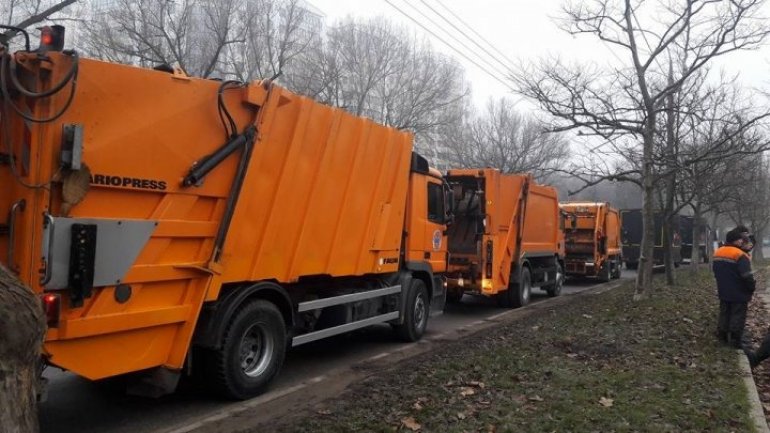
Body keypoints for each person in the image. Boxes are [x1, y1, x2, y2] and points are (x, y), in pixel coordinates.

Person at [713, 228, 756, 348]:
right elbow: (746, 276)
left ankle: (722, 336)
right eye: (740, 240)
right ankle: (735, 341)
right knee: (737, 316)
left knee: (724, 313)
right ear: (735, 241)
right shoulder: (740, 255)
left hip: (723, 289)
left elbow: (715, 271)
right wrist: (751, 287)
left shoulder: (718, 252)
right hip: (739, 292)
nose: (742, 242)